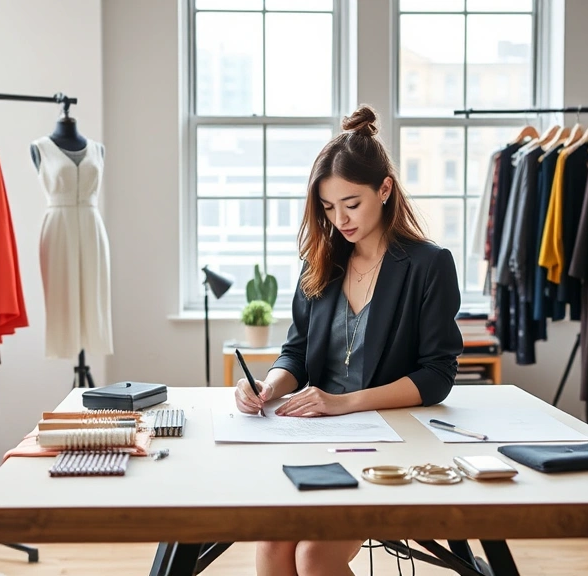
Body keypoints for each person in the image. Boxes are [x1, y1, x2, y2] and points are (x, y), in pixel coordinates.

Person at [234, 104, 463, 576]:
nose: (340, 219)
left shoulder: (428, 265)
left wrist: (344, 403)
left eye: (352, 204)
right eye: (328, 208)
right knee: (274, 540)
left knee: (314, 553)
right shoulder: (319, 263)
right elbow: (295, 352)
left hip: (390, 441)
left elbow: (438, 375)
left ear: (384, 189)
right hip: (314, 436)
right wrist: (270, 387)